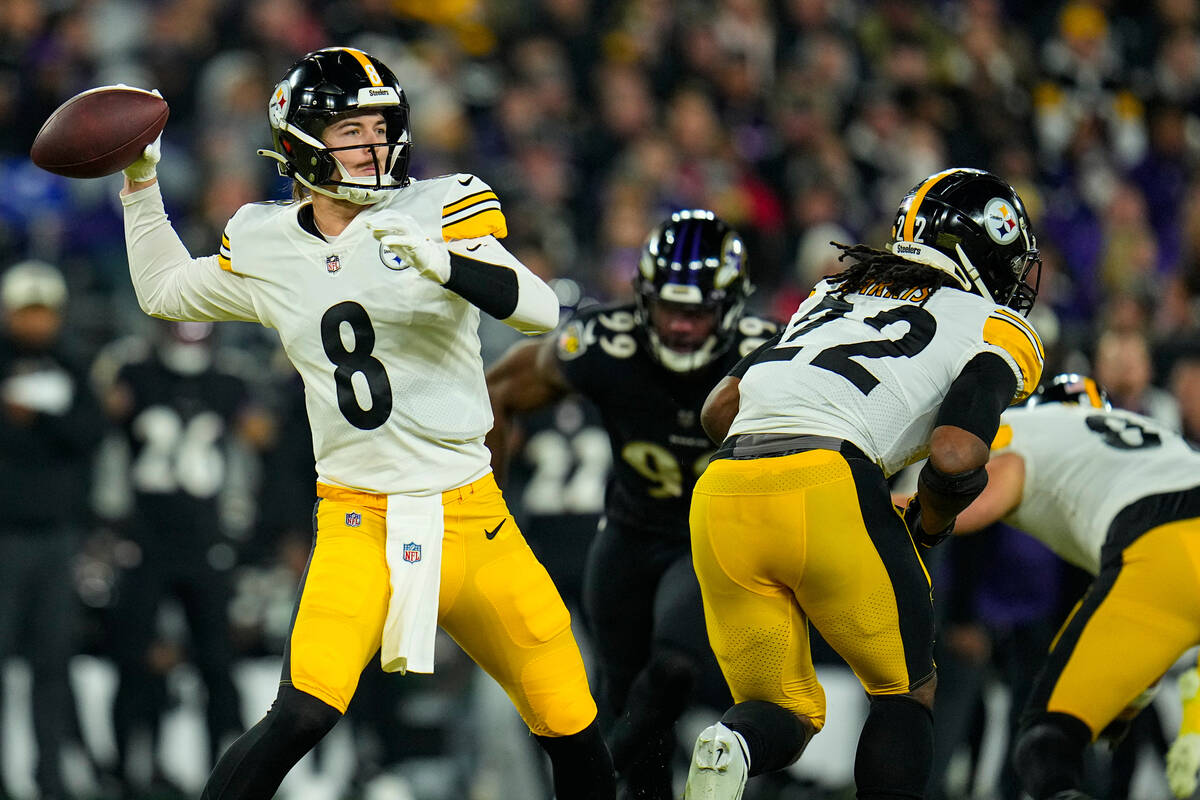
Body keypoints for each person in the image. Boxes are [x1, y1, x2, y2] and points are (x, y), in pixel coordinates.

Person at [118, 47, 614, 800]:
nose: (375, 146)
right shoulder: (265, 240)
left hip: (472, 515)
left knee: (571, 723)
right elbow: (161, 290)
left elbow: (540, 308)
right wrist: (139, 181)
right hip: (359, 518)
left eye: (382, 127)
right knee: (301, 715)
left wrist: (445, 265)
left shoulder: (440, 206)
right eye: (352, 129)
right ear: (301, 143)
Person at [683, 167, 1045, 800]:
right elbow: (957, 454)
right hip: (827, 481)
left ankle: (733, 746)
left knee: (785, 709)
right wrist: (930, 525)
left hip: (722, 490)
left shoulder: (830, 294)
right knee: (906, 692)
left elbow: (719, 409)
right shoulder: (992, 324)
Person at [487, 210, 778, 799]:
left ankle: (589, 786)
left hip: (711, 544)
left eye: (695, 313)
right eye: (670, 310)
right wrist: (484, 505)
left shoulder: (771, 357)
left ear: (730, 306)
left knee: (674, 669)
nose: (679, 328)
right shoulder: (604, 342)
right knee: (625, 700)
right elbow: (499, 390)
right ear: (644, 299)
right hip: (625, 536)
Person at [950, 373, 1200, 800]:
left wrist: (886, 512)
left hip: (1157, 545)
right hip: (1171, 531)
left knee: (1046, 745)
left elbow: (969, 507)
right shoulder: (1154, 429)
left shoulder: (1023, 430)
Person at [97, 320, 270, 792]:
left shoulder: (230, 379)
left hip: (204, 540)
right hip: (146, 538)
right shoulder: (131, 370)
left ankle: (225, 775)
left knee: (217, 663)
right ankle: (131, 770)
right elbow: (103, 433)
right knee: (135, 662)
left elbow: (259, 439)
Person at [0, 260, 105, 800]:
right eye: (27, 311)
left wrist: (36, 418)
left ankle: (51, 779)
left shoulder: (73, 363)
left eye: (44, 312)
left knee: (52, 664)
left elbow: (91, 432)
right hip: (5, 536)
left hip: (56, 536)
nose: (36, 323)